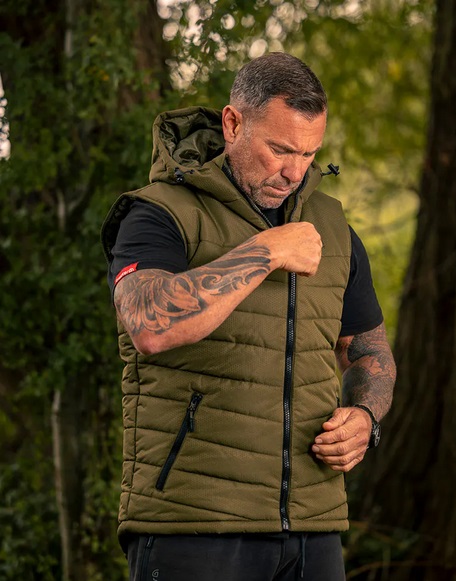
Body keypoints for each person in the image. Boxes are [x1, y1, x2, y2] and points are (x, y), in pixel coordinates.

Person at [101, 52, 396, 581]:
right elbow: (150, 324)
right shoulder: (159, 212)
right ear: (233, 123)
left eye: (309, 153)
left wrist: (365, 417)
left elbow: (368, 351)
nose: (294, 171)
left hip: (313, 525)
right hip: (192, 522)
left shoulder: (332, 228)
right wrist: (266, 251)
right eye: (279, 149)